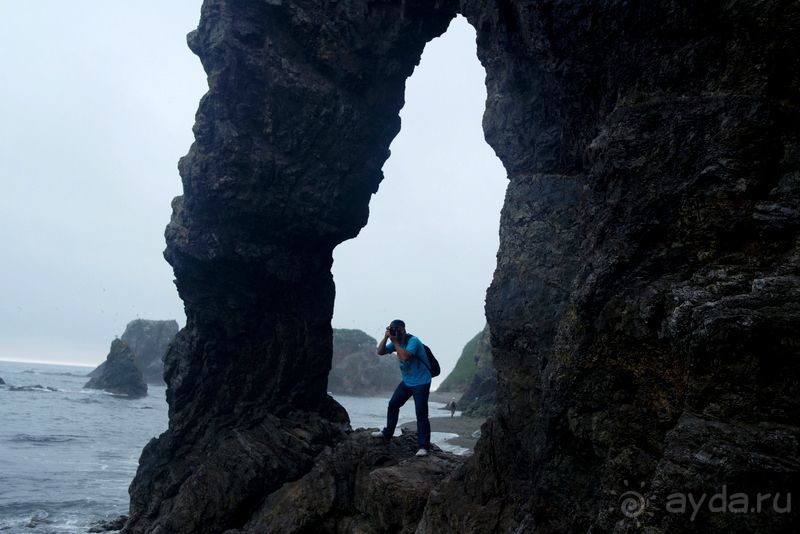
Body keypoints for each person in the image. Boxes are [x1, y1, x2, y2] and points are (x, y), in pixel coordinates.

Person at [371, 319, 432, 457]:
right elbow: (380, 352)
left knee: (421, 413)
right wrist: (386, 337)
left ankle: (424, 447)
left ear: (402, 329)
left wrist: (395, 342)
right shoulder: (395, 341)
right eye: (391, 329)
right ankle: (387, 433)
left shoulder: (413, 341)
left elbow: (405, 356)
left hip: (422, 382)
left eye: (395, 329)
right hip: (407, 381)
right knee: (393, 404)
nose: (394, 332)